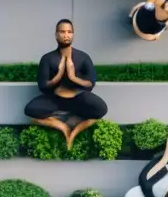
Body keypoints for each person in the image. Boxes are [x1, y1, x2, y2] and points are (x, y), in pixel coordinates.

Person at [24, 19, 108, 149]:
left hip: (78, 99)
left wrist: (73, 77)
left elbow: (90, 84)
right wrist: (58, 75)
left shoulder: (83, 57)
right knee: (30, 110)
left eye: (69, 32)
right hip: (56, 100)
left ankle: (75, 131)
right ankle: (62, 126)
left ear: (73, 34)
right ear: (56, 34)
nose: (66, 35)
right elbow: (43, 86)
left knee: (102, 109)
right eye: (62, 32)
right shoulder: (47, 58)